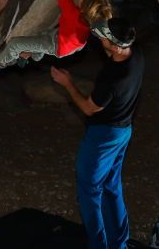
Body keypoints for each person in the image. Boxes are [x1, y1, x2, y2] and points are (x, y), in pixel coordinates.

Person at [50, 17, 143, 249]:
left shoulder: (113, 78)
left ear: (116, 45)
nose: (100, 37)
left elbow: (89, 108)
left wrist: (68, 83)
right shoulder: (136, 54)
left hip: (104, 136)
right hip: (124, 131)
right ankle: (119, 243)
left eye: (105, 37)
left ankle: (98, 245)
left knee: (89, 191)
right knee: (112, 186)